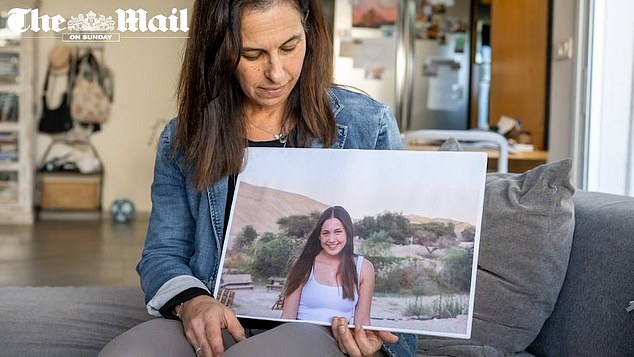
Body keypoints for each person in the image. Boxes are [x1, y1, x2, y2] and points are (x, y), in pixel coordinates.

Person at [100, 0, 417, 356]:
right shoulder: (184, 137)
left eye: (290, 46)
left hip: (324, 329)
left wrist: (372, 336)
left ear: (309, 33)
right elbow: (163, 253)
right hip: (222, 318)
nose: (277, 73)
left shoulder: (367, 124)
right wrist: (192, 302)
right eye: (252, 54)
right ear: (219, 51)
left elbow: (386, 273)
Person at [282, 206, 374, 327]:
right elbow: (287, 318)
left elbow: (363, 323)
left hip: (339, 342)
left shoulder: (364, 268)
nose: (331, 239)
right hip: (301, 338)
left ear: (348, 233)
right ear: (319, 236)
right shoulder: (304, 264)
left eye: (338, 232)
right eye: (326, 233)